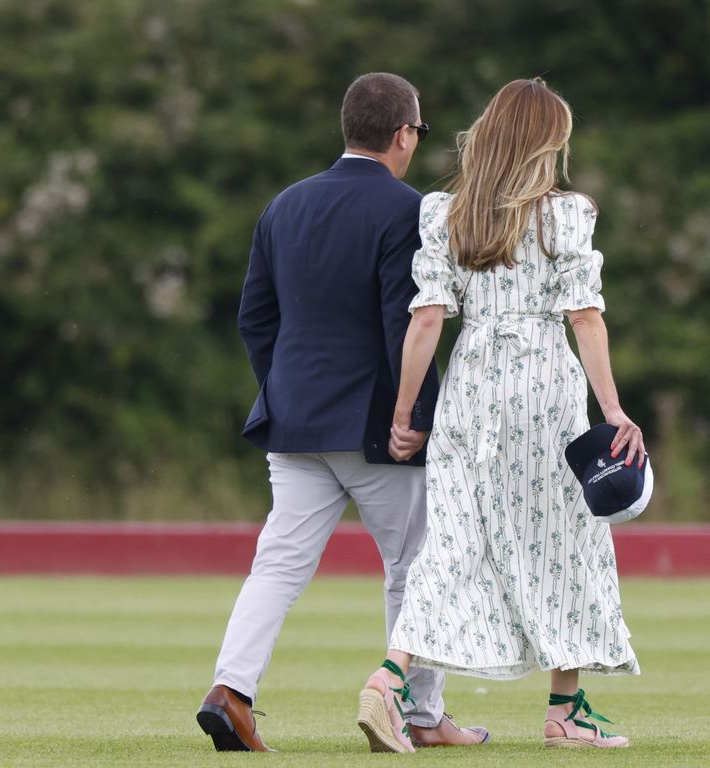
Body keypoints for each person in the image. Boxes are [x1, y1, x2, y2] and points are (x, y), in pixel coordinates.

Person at [196, 72, 487, 753]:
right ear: (402, 133)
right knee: (416, 565)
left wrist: (286, 392)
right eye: (418, 131)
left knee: (277, 566)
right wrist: (416, 414)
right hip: (380, 428)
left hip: (294, 424)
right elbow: (404, 322)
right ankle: (417, 714)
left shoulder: (284, 206)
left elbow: (254, 320)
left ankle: (231, 689)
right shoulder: (407, 209)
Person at [357, 77, 644, 751]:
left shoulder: (444, 212)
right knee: (566, 540)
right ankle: (565, 710)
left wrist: (406, 412)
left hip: (472, 385)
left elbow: (427, 317)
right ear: (547, 143)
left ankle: (389, 679)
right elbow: (585, 317)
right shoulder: (568, 215)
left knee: (454, 541)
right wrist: (613, 410)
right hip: (544, 385)